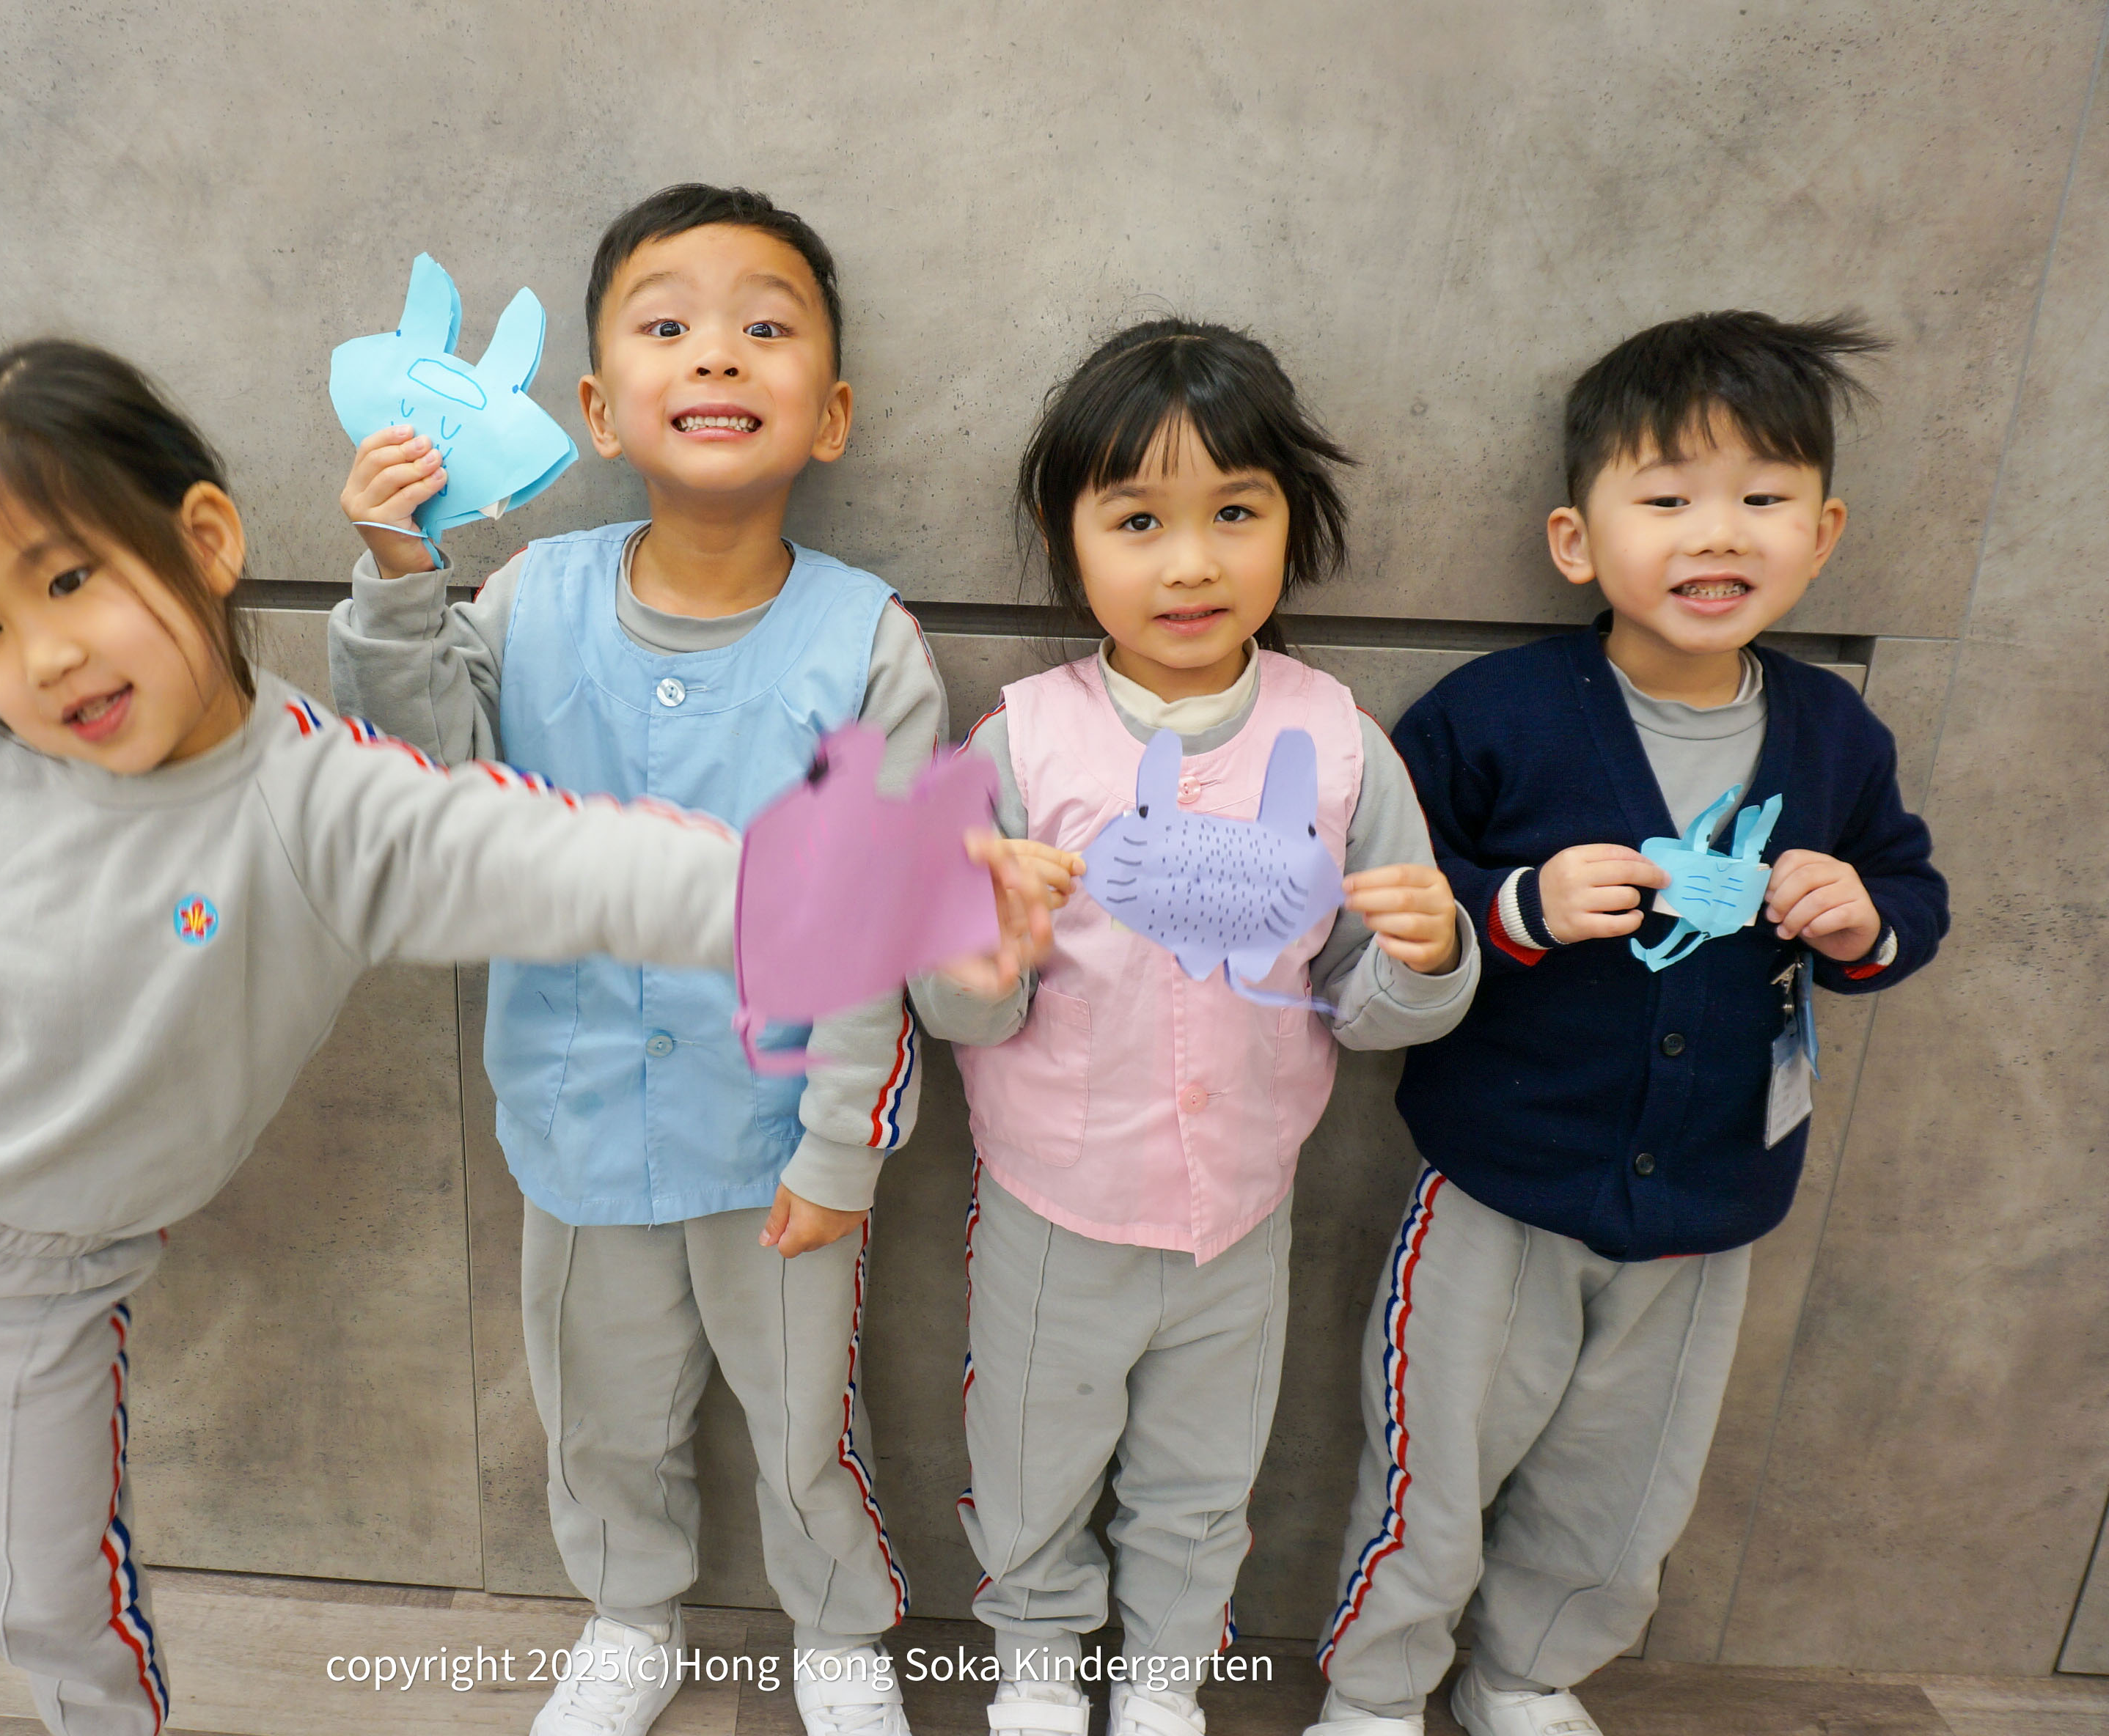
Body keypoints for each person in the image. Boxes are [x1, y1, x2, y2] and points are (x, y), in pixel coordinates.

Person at [0, 339, 1041, 1736]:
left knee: (51, 1605)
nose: (41, 653)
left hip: (49, 1291)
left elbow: (593, 864)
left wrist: (879, 890)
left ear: (207, 541)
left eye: (70, 581)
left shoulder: (327, 807)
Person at [328, 184, 949, 1736]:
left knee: (804, 1414)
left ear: (830, 412)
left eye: (765, 327)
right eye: (668, 325)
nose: (716, 354)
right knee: (599, 1404)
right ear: (599, 409)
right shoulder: (526, 598)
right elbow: (427, 791)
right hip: (577, 1115)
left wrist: (841, 1147)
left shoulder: (866, 641)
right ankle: (627, 1613)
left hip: (776, 1135)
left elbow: (877, 923)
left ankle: (839, 1630)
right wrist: (397, 571)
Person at [1306, 312, 1948, 1736]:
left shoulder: (1835, 736)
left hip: (1711, 1203)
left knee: (1623, 1490)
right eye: (1664, 497)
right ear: (1575, 540)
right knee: (1430, 1471)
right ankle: (1374, 1693)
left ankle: (1525, 1675)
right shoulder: (1495, 714)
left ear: (1822, 533)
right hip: (1498, 1184)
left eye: (1761, 496)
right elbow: (1387, 891)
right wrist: (1518, 903)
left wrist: (1862, 919)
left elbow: (1909, 891)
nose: (1714, 532)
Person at [912, 319, 1479, 1736]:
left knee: (1204, 1481)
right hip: (1055, 1206)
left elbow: (1370, 1003)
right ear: (1071, 542)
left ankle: (1165, 1679)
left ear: (1294, 525)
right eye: (1138, 521)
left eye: (1235, 513)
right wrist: (982, 955)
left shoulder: (1340, 744)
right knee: (1031, 1462)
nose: (1189, 564)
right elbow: (951, 1000)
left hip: (1242, 1215)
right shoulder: (1019, 745)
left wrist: (1433, 953)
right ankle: (1038, 1665)